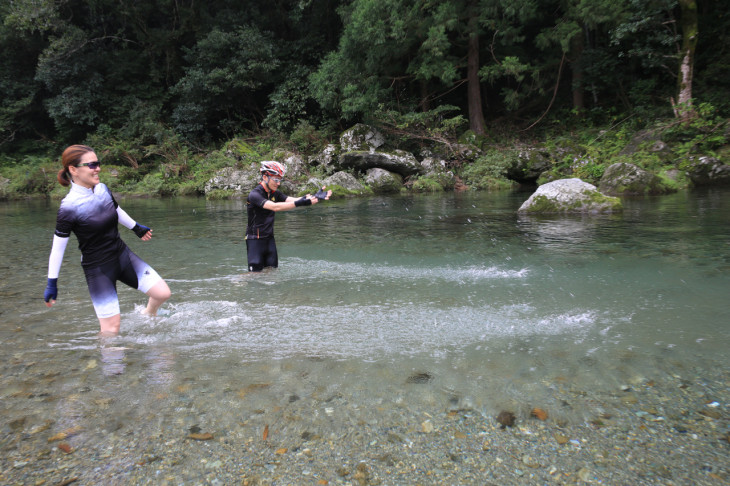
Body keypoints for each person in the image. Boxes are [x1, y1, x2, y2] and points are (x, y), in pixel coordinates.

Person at [43, 145, 171, 336]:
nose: (98, 169)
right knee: (111, 329)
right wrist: (51, 283)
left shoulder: (102, 189)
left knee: (162, 293)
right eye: (92, 165)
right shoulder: (68, 208)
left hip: (121, 254)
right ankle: (110, 365)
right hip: (98, 268)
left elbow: (115, 210)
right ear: (73, 169)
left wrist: (136, 227)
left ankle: (148, 315)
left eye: (98, 163)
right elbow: (58, 249)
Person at [245, 161, 331, 272]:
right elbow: (274, 207)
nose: (278, 183)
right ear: (265, 177)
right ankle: (236, 282)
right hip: (255, 240)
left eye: (280, 180)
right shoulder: (255, 194)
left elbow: (294, 200)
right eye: (276, 180)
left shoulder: (275, 193)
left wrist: (315, 197)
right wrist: (300, 203)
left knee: (272, 271)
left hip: (269, 239)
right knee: (254, 275)